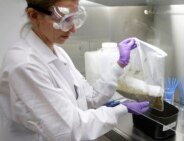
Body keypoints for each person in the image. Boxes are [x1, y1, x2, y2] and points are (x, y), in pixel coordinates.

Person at [0, 0, 150, 141]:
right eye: (64, 19)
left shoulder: (57, 52)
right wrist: (120, 110)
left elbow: (89, 98)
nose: (73, 28)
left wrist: (120, 64)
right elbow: (68, 129)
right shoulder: (24, 65)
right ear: (33, 15)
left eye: (74, 18)